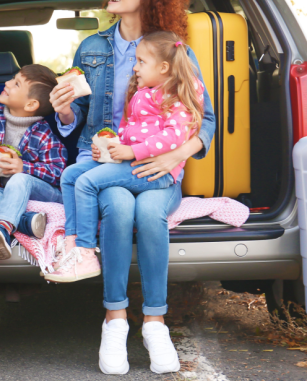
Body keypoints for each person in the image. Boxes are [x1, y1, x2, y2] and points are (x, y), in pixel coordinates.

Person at [48, 0, 216, 375]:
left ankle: (155, 323)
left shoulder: (173, 51)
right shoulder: (91, 47)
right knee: (120, 207)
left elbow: (205, 118)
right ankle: (115, 320)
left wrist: (178, 153)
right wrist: (64, 111)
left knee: (145, 211)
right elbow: (76, 122)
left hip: (158, 166)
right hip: (102, 158)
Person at [47, 30, 204, 287]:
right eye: (134, 60)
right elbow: (128, 131)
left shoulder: (176, 93)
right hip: (129, 160)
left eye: (141, 62)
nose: (134, 67)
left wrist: (131, 152)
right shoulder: (141, 91)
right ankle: (72, 243)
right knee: (70, 175)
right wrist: (111, 149)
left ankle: (86, 254)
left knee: (86, 182)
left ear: (164, 67)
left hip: (153, 168)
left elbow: (174, 136)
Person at [0, 65, 67, 260]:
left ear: (30, 105)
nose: (7, 83)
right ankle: (27, 222)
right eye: (12, 78)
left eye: (16, 83)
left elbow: (58, 172)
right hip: (3, 191)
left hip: (42, 193)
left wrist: (24, 167)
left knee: (20, 179)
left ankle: (2, 228)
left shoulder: (43, 134)